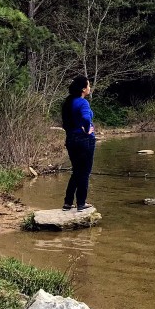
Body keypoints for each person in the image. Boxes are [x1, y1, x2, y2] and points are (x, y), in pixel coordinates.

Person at [61, 75, 95, 211]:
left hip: (71, 140)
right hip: (84, 140)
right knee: (85, 172)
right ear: (83, 89)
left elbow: (66, 123)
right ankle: (81, 203)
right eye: (88, 85)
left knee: (76, 171)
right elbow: (86, 118)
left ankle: (68, 202)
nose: (89, 87)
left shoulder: (68, 102)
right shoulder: (83, 103)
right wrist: (87, 130)